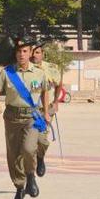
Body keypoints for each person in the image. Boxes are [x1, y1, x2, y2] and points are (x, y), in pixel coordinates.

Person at [0, 36, 50, 199]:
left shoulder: (39, 73)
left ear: (30, 53)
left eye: (24, 51)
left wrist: (46, 112)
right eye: (18, 51)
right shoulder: (7, 73)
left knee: (29, 148)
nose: (21, 54)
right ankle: (20, 187)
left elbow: (45, 92)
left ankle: (31, 177)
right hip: (12, 117)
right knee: (14, 155)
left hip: (32, 116)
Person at [31, 41, 63, 177]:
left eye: (37, 52)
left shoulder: (51, 68)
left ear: (43, 54)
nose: (34, 55)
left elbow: (59, 84)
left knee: (42, 140)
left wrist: (56, 102)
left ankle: (40, 158)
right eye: (32, 52)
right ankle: (28, 171)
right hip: (28, 109)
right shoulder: (24, 69)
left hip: (44, 110)